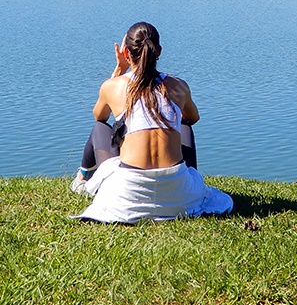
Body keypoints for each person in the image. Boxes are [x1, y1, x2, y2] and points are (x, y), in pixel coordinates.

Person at [72, 22, 232, 223]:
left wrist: (120, 69)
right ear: (159, 51)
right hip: (179, 194)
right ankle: (189, 181)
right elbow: (193, 118)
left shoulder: (113, 86)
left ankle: (82, 179)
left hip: (129, 194)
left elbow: (100, 117)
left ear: (127, 53)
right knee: (184, 126)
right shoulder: (178, 86)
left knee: (99, 129)